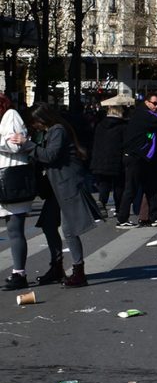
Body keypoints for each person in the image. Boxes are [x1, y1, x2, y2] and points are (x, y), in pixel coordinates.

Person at [10, 104, 102, 288]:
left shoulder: (57, 130)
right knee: (48, 224)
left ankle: (79, 272)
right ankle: (57, 267)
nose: (34, 125)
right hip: (57, 187)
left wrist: (27, 144)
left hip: (67, 185)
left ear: (42, 118)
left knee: (69, 230)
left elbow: (50, 155)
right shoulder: (51, 131)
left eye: (34, 121)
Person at [117, 93, 157, 228]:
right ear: (146, 102)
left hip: (144, 157)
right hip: (135, 156)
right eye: (154, 103)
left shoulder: (145, 113)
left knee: (151, 187)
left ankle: (155, 216)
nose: (156, 106)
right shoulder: (142, 113)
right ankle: (122, 219)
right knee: (131, 188)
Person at [0, 95, 36, 291]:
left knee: (14, 229)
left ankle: (19, 273)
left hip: (12, 180)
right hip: (6, 180)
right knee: (13, 229)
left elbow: (15, 145)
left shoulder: (11, 115)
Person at [90, 97, 129, 218]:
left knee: (104, 184)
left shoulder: (100, 125)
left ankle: (102, 202)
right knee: (119, 185)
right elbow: (126, 143)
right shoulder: (123, 126)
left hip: (101, 159)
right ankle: (119, 208)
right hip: (117, 159)